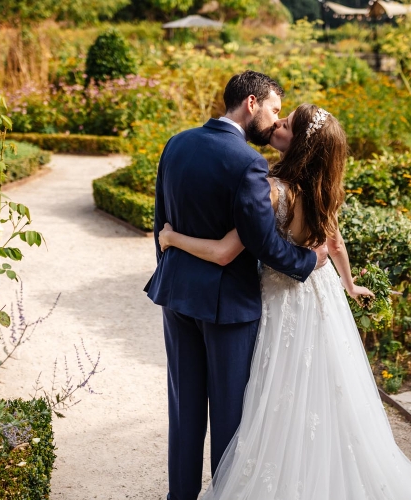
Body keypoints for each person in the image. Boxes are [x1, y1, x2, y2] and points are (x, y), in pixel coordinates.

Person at [158, 104, 411, 499]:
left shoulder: (273, 189)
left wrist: (171, 240)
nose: (277, 123)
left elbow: (226, 249)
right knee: (321, 388)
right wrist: (348, 284)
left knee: (273, 390)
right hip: (320, 298)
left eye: (286, 123)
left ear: (299, 143)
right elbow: (336, 242)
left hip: (282, 299)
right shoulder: (322, 186)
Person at [144, 71, 330, 500]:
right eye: (274, 110)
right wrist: (311, 260)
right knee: (229, 416)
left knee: (184, 409)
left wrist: (170, 268)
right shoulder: (247, 162)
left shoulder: (177, 143)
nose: (275, 120)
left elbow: (161, 221)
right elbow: (263, 244)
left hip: (176, 294)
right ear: (251, 103)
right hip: (227, 305)